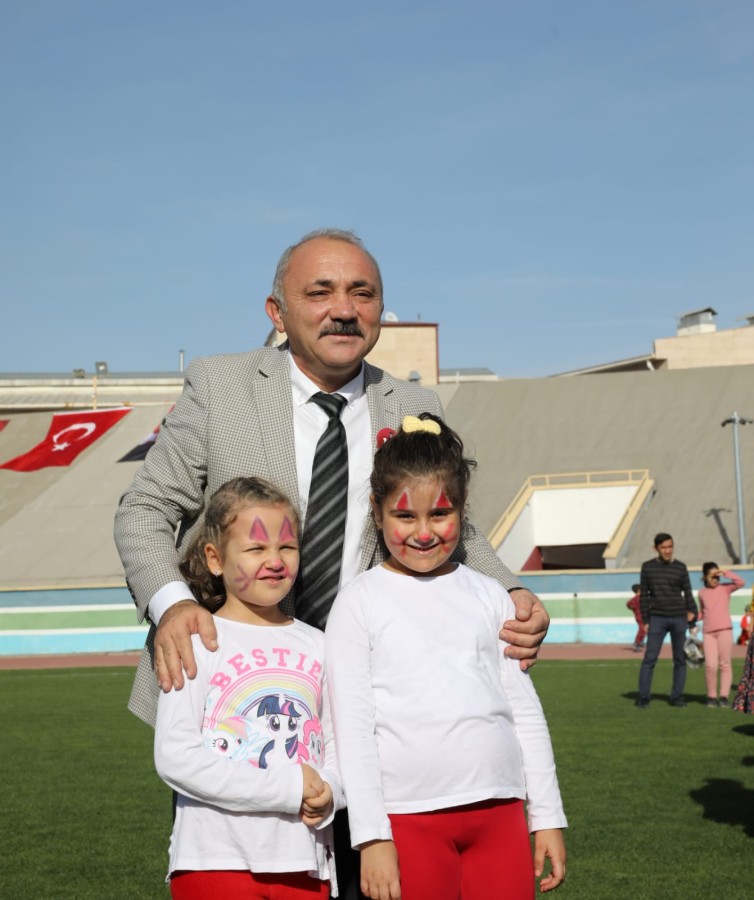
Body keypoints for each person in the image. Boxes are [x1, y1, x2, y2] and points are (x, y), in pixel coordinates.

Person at [114, 228, 549, 897]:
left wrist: (513, 593)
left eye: (362, 293)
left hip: (378, 714)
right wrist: (173, 606)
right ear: (277, 311)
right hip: (248, 704)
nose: (344, 309)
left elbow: (456, 530)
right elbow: (144, 510)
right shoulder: (220, 385)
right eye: (320, 292)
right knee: (252, 875)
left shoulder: (416, 406)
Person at [325, 414, 567, 900]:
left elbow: (523, 711)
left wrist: (547, 816)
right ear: (376, 512)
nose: (423, 532)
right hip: (407, 818)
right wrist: (371, 836)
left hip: (500, 812)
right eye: (405, 516)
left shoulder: (491, 594)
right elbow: (351, 728)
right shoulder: (358, 602)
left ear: (462, 506)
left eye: (439, 514)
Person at [154, 477, 344, 898]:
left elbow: (339, 746)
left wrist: (332, 792)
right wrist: (288, 789)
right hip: (214, 863)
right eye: (256, 549)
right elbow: (175, 756)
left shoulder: (320, 643)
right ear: (215, 558)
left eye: (287, 546)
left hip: (305, 864)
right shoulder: (196, 641)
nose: (275, 561)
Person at [636, 533, 698, 709]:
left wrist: (693, 618)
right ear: (655, 548)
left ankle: (676, 697)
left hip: (679, 618)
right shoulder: (647, 567)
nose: (667, 550)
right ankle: (643, 697)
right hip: (657, 618)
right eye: (663, 547)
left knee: (680, 660)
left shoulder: (681, 567)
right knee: (650, 658)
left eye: (670, 547)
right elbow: (644, 596)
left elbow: (688, 593)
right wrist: (645, 620)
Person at [697, 563, 745, 708]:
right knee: (710, 666)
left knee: (725, 664)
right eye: (712, 576)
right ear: (705, 577)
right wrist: (692, 618)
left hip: (725, 630)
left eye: (717, 576)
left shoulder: (725, 588)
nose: (716, 579)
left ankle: (724, 696)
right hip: (708, 633)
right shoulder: (701, 593)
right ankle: (711, 697)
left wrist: (725, 573)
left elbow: (740, 582)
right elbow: (703, 613)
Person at [626, 582, 646, 651]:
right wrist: (633, 608)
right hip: (640, 616)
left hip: (643, 616)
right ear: (639, 590)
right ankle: (636, 642)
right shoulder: (637, 598)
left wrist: (632, 608)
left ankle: (641, 641)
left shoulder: (640, 598)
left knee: (644, 629)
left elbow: (628, 604)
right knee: (642, 629)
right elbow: (628, 604)